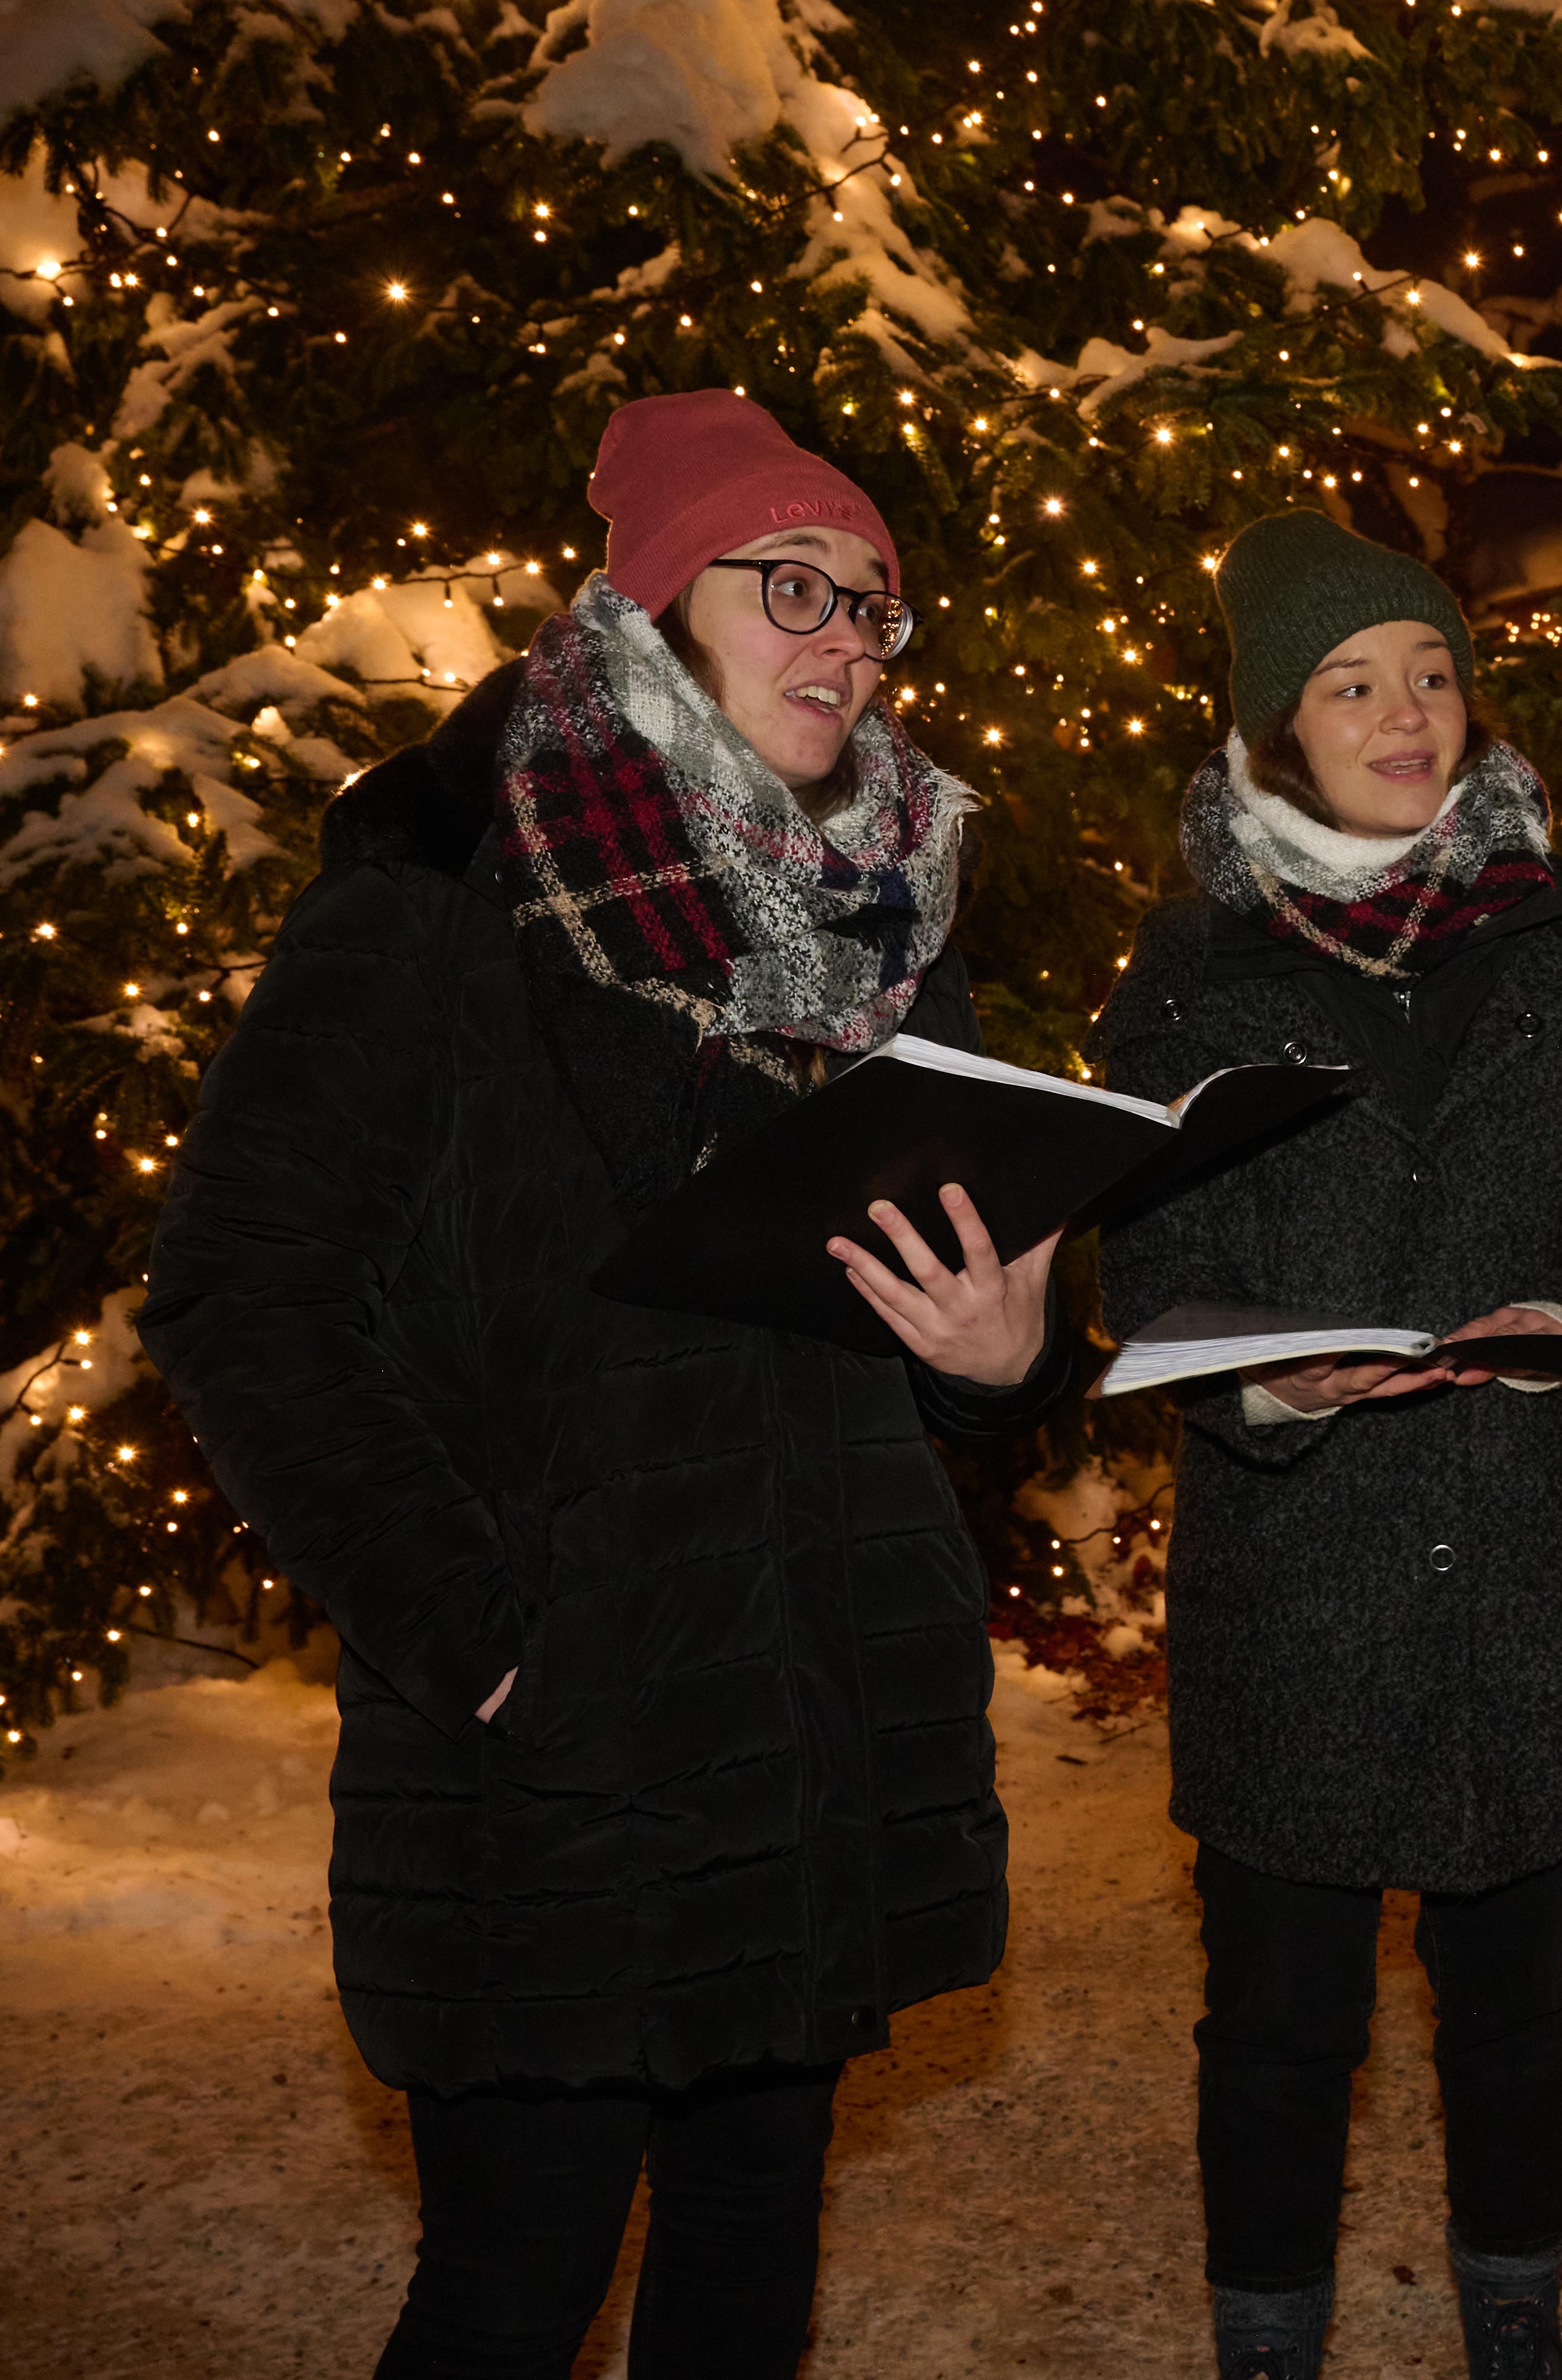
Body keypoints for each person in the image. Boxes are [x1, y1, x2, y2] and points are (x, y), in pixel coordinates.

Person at [138, 390, 1070, 2378]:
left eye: (874, 611)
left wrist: (1005, 1363)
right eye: (794, 588)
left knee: (743, 2270)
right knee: (512, 2283)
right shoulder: (432, 900)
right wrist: (469, 1630)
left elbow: (950, 1309)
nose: (846, 642)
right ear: (652, 605)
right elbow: (238, 1283)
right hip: (548, 1740)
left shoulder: (890, 933)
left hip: (804, 1723)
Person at [1094, 511, 1562, 2380]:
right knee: (1281, 2020)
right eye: (1353, 683)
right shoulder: (1195, 978)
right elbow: (1153, 1265)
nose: (1404, 714)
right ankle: (1268, 2341)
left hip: (1532, 1547)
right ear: (1282, 727)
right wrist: (1269, 1387)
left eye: (1431, 672)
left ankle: (1514, 2316)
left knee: (1528, 2003)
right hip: (1301, 1580)